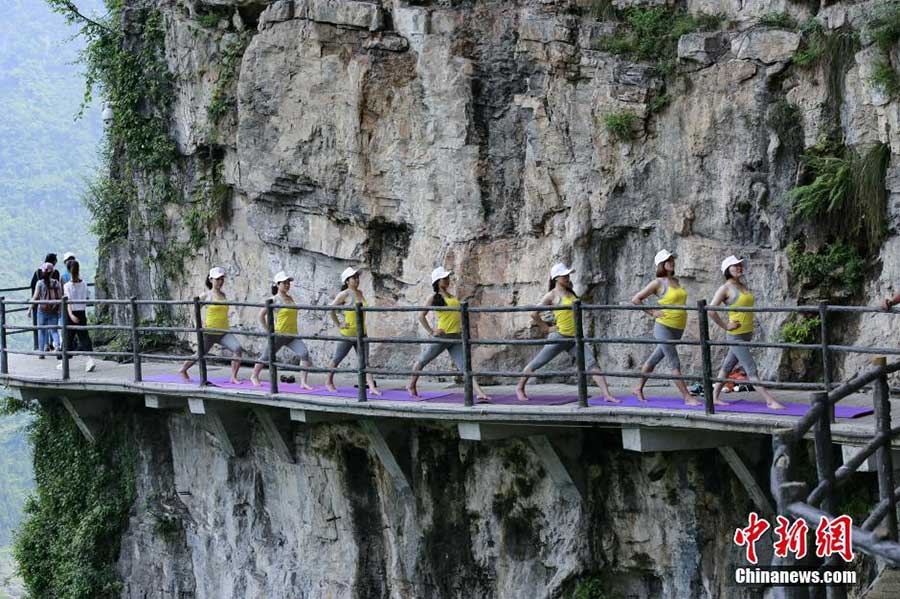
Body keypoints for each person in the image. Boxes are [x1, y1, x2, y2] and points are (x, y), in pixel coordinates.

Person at [516, 263, 620, 403]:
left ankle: (606, 394)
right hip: (559, 337)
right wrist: (546, 328)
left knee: (592, 363)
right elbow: (534, 314)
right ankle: (519, 388)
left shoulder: (570, 291)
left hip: (575, 338)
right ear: (556, 278)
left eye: (567, 275)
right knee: (538, 362)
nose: (567, 277)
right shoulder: (551, 295)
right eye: (564, 275)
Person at [709, 255, 784, 409]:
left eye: (740, 265)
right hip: (735, 335)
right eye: (735, 266)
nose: (739, 267)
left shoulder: (743, 285)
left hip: (746, 333)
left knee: (728, 366)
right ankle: (769, 401)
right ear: (727, 270)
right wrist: (725, 325)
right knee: (751, 368)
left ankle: (714, 397)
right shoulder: (725, 288)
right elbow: (711, 310)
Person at [406, 267, 491, 401]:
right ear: (437, 281)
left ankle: (479, 393)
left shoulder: (451, 296)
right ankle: (411, 385)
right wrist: (432, 331)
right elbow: (421, 316)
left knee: (465, 366)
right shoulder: (433, 297)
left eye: (447, 278)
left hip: (456, 337)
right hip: (442, 336)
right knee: (423, 360)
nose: (447, 280)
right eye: (444, 278)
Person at [630, 250, 697, 405]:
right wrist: (652, 312)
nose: (672, 262)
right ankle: (687, 397)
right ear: (661, 264)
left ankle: (638, 387)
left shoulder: (676, 281)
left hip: (678, 327)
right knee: (674, 362)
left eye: (672, 260)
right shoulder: (658, 282)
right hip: (664, 326)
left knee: (655, 358)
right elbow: (636, 299)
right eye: (668, 260)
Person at [178, 267, 244, 384]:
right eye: (217, 279)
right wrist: (198, 324)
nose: (220, 281)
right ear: (210, 280)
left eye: (222, 279)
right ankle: (183, 370)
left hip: (223, 332)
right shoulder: (206, 295)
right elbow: (195, 309)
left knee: (237, 349)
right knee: (199, 354)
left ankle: (233, 377)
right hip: (209, 332)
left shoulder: (224, 295)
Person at [250, 271, 314, 389]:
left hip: (292, 335)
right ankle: (254, 376)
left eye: (288, 282)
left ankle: (303, 382)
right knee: (266, 356)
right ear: (277, 284)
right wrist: (268, 331)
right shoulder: (274, 299)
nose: (287, 285)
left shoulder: (290, 298)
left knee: (304, 354)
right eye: (284, 283)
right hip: (279, 334)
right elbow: (261, 315)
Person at [325, 267, 381, 395]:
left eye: (357, 277)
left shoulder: (360, 292)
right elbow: (331, 309)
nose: (356, 280)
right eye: (353, 278)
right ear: (347, 281)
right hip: (348, 334)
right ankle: (328, 381)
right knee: (337, 358)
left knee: (365, 361)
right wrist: (339, 324)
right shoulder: (345, 294)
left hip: (362, 333)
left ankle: (371, 387)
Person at [63, 260, 96, 372]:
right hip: (81, 312)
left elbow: (67, 301)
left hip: (71, 313)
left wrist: (71, 314)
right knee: (84, 336)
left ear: (68, 270)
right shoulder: (84, 283)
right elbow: (87, 297)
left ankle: (64, 362)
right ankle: (90, 359)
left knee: (68, 336)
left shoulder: (67, 285)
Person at [27, 263, 62, 362]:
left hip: (42, 310)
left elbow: (35, 297)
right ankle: (57, 349)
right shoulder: (56, 283)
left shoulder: (39, 283)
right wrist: (59, 309)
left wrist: (29, 309)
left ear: (42, 271)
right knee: (54, 331)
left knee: (41, 331)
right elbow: (60, 298)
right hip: (53, 310)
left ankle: (41, 353)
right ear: (53, 272)